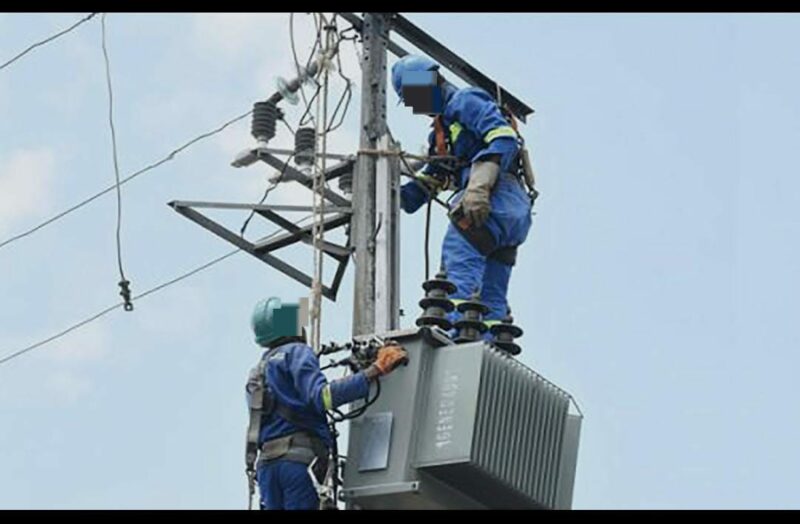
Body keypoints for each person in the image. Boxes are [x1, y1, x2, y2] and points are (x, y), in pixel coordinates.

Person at [393, 55, 534, 332]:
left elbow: (503, 138)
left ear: (427, 83)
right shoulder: (441, 132)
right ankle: (490, 342)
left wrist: (479, 187)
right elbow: (435, 176)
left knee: (457, 268)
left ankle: (453, 337)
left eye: (412, 96)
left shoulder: (464, 101)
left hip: (494, 199)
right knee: (490, 295)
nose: (414, 106)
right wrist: (394, 195)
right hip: (511, 213)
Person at [245, 297, 408, 510]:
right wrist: (375, 369)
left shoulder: (257, 372)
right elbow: (323, 397)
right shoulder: (296, 352)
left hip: (267, 469)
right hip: (298, 465)